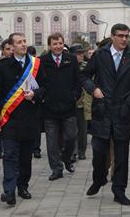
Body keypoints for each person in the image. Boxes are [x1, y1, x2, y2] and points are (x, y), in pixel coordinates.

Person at [80, 23, 130, 206]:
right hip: (102, 110)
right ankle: (99, 178)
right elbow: (84, 76)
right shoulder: (100, 56)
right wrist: (93, 90)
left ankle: (119, 190)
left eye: (127, 36)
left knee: (121, 155)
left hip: (122, 112)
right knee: (99, 151)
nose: (124, 39)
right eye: (120, 36)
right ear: (112, 36)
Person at [0, 33, 47, 205]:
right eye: (19, 42)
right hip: (9, 120)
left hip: (30, 118)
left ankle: (22, 186)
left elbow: (46, 87)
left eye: (24, 41)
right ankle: (9, 191)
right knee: (10, 156)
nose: (23, 44)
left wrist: (35, 94)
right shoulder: (2, 67)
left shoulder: (36, 64)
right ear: (11, 47)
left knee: (25, 157)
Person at [40, 33, 80, 180]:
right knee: (51, 142)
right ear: (49, 46)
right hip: (49, 109)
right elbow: (38, 82)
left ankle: (67, 158)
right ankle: (56, 169)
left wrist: (75, 96)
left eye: (60, 43)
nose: (58, 46)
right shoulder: (42, 61)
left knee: (71, 137)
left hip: (68, 107)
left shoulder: (71, 59)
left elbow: (78, 81)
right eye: (55, 44)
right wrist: (43, 98)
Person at [71, 44, 91, 161]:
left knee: (83, 129)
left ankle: (81, 151)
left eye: (82, 53)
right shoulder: (68, 67)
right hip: (71, 101)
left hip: (83, 102)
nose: (81, 55)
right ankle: (73, 151)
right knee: (71, 129)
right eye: (78, 53)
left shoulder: (87, 66)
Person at [27, 45, 43, 159]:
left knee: (36, 126)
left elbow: (43, 83)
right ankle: (29, 147)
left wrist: (37, 94)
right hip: (22, 99)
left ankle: (36, 148)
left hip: (36, 99)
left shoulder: (38, 65)